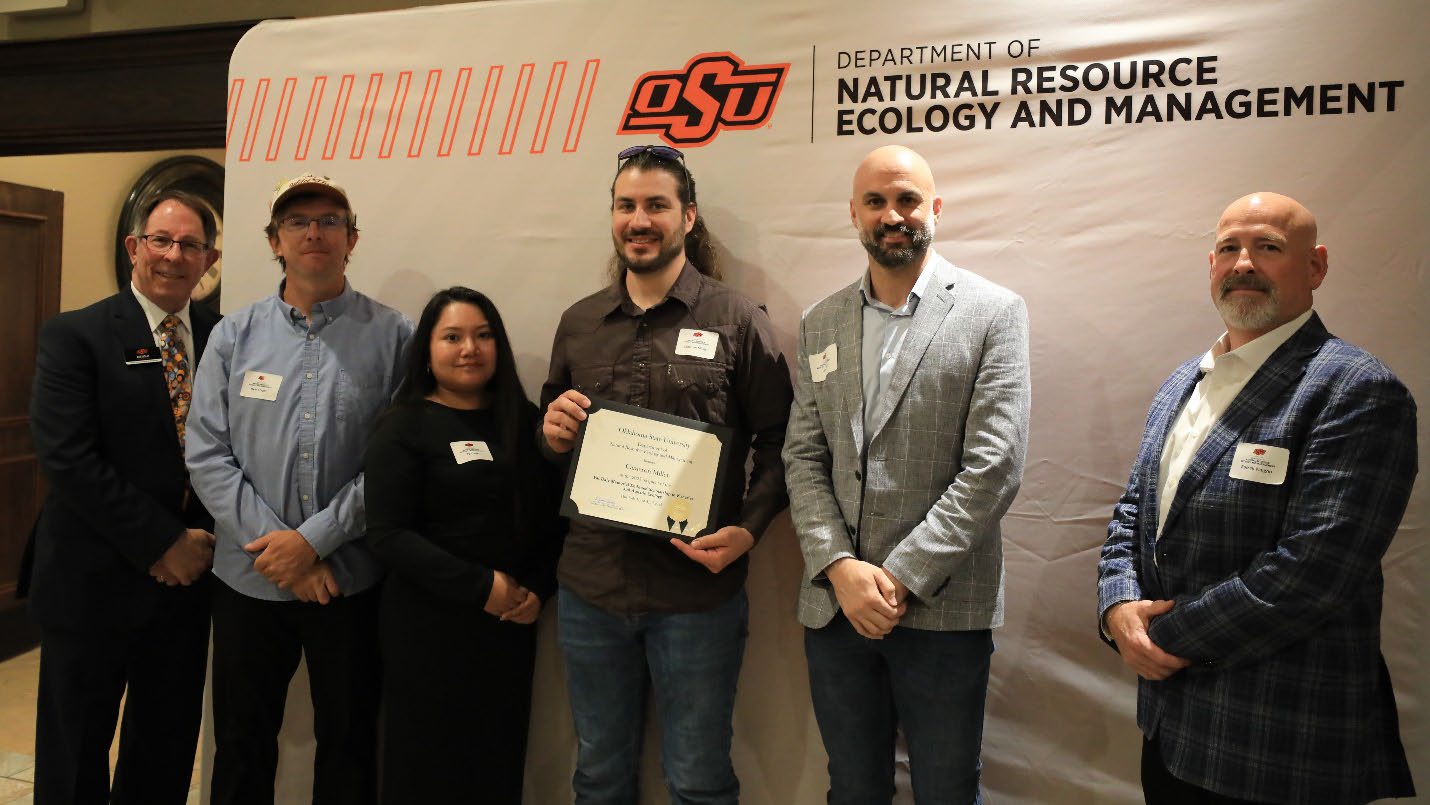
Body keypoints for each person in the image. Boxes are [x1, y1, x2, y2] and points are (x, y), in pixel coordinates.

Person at [1097, 192, 1417, 804]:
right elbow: (1133, 513)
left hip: (1281, 742)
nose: (1243, 263)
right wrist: (1118, 608)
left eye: (1268, 247)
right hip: (1170, 728)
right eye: (1229, 248)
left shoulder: (1357, 390)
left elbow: (1314, 571)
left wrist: (1160, 637)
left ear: (1315, 267)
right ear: (1210, 266)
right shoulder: (1183, 384)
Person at [539, 144, 792, 804]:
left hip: (696, 596)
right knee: (598, 778)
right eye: (626, 205)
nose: (639, 220)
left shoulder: (737, 319)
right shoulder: (579, 324)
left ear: (688, 216)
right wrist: (551, 434)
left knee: (698, 781)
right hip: (591, 589)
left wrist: (748, 529)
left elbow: (784, 440)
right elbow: (554, 437)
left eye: (656, 204)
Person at [782, 144, 1030, 804]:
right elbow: (802, 456)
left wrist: (897, 579)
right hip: (836, 610)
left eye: (907, 200)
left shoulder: (993, 312)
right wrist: (840, 567)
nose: (892, 215)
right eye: (876, 202)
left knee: (947, 790)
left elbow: (995, 466)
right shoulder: (820, 322)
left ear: (935, 208)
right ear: (854, 214)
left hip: (942, 609)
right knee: (853, 788)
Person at [186, 174, 412, 805]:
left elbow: (396, 463)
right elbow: (206, 452)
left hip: (348, 579)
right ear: (274, 241)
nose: (314, 232)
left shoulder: (396, 336)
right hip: (248, 580)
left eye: (330, 220)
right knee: (241, 742)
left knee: (349, 742)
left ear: (352, 239)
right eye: (297, 222)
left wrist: (314, 543)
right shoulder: (233, 335)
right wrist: (281, 551)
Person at [24, 190, 221, 804]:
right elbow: (69, 458)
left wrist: (195, 547)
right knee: (75, 749)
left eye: (190, 244)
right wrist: (163, 542)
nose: (173, 255)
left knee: (164, 746)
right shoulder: (75, 334)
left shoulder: (227, 337)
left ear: (209, 259)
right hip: (92, 580)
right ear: (134, 247)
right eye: (161, 240)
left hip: (188, 586)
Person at [365, 287, 563, 803]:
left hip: (508, 628)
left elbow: (553, 521)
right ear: (427, 351)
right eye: (452, 337)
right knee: (425, 772)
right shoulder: (403, 425)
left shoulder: (523, 420)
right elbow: (387, 534)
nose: (469, 349)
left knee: (495, 767)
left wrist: (538, 590)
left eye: (483, 335)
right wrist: (480, 587)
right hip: (426, 631)